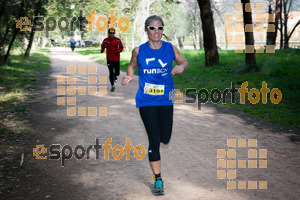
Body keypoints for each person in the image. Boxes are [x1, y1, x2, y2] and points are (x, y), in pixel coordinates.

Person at [122, 15, 188, 196]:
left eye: (160, 28)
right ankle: (158, 179)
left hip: (166, 99)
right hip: (146, 100)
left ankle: (159, 141)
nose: (156, 32)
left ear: (163, 30)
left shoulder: (170, 48)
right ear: (146, 30)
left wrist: (181, 67)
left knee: (165, 137)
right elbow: (131, 66)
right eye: (152, 28)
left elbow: (184, 61)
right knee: (154, 139)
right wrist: (129, 75)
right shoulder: (139, 51)